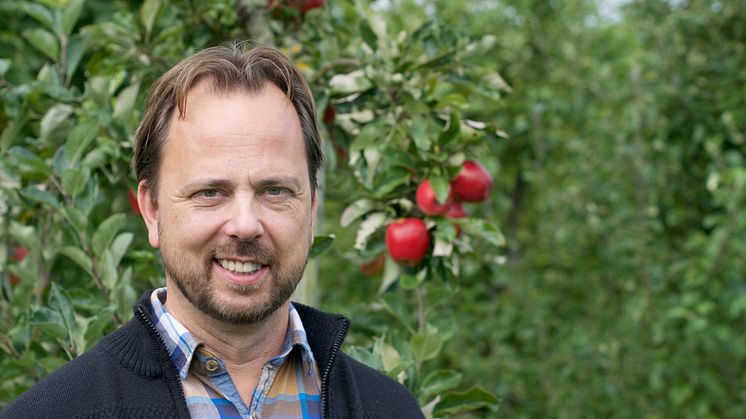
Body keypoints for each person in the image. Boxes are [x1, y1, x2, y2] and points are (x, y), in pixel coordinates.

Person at [1, 44, 423, 419]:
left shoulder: (392, 408)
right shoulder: (57, 411)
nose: (244, 225)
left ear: (311, 212)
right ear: (151, 210)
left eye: (275, 190)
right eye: (209, 192)